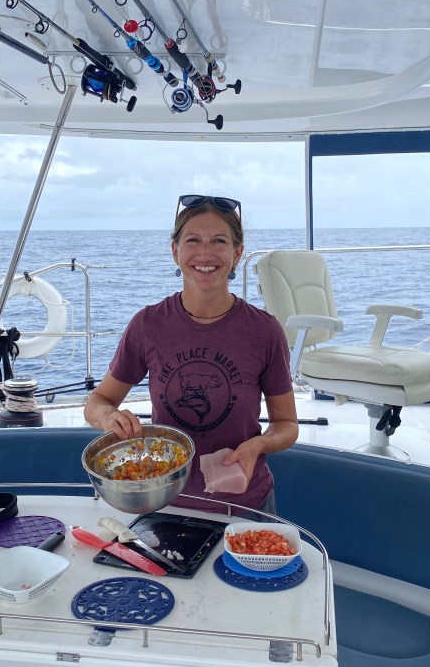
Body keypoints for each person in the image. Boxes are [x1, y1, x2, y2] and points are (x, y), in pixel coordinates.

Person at [84, 194, 299, 518]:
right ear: (175, 251)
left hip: (245, 505)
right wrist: (108, 417)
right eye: (193, 241)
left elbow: (286, 424)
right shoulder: (148, 325)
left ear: (237, 253)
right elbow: (97, 402)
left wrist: (259, 445)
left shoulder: (264, 330)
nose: (205, 253)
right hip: (162, 502)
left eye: (219, 241)